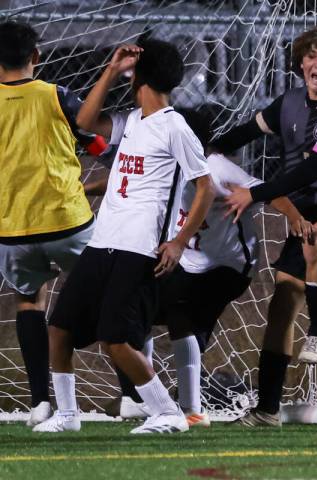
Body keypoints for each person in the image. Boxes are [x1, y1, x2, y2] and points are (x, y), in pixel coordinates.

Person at [33, 39, 214, 435]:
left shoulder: (174, 125)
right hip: (103, 243)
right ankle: (67, 415)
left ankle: (167, 412)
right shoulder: (131, 121)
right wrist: (111, 69)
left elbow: (205, 186)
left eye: (132, 69)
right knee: (60, 327)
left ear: (142, 75)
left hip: (140, 249)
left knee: (115, 339)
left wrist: (179, 241)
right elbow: (83, 122)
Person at [91, 108, 312, 426]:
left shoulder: (217, 167)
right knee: (131, 308)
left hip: (229, 266)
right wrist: (83, 189)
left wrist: (292, 216)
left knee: (182, 315)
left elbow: (268, 191)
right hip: (188, 264)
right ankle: (142, 399)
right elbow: (118, 180)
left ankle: (190, 409)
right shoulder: (171, 165)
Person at [212, 27, 317, 426]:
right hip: (307, 212)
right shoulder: (287, 104)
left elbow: (311, 169)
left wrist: (254, 194)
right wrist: (206, 146)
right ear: (301, 62)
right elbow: (245, 132)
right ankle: (267, 409)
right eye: (314, 56)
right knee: (282, 304)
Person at [0, 21, 106, 427]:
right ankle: (133, 395)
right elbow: (96, 141)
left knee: (29, 302)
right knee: (110, 294)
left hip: (12, 229)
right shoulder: (56, 95)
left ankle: (39, 403)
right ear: (36, 57)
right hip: (68, 222)